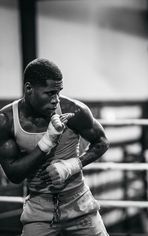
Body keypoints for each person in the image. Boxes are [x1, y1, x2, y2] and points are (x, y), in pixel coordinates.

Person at [0, 58, 110, 235]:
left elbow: (102, 142)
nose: (55, 100)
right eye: (50, 93)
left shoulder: (73, 110)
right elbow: (14, 175)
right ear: (29, 89)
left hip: (79, 203)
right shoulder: (7, 120)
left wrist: (70, 166)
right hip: (38, 209)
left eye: (58, 92)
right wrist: (47, 142)